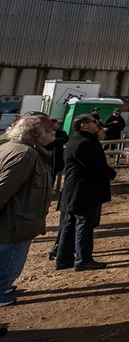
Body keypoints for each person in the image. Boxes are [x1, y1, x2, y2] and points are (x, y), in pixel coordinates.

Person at [0, 114, 54, 309]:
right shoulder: (25, 154)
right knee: (7, 268)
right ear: (35, 132)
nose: (53, 132)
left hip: (16, 223)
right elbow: (3, 189)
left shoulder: (12, 147)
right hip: (14, 226)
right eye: (49, 129)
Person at [54, 114, 116, 271]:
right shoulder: (84, 143)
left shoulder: (76, 140)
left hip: (74, 190)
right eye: (93, 122)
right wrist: (111, 173)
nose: (97, 124)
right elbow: (95, 165)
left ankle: (64, 258)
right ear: (84, 125)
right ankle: (83, 260)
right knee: (84, 224)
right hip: (84, 190)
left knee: (69, 224)